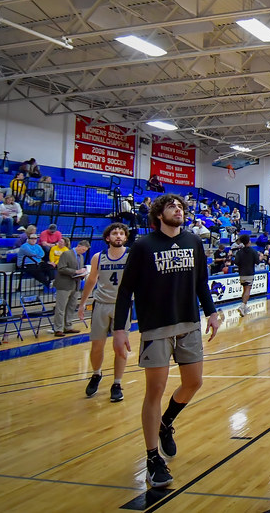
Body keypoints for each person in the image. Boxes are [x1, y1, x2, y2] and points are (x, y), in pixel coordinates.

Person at [112, 194, 220, 489]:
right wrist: (119, 329)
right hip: (155, 327)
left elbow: (201, 282)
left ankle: (165, 422)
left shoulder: (194, 242)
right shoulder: (144, 246)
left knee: (193, 382)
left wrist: (211, 312)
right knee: (155, 391)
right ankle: (151, 459)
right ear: (159, 214)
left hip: (188, 323)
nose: (178, 209)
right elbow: (125, 291)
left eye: (181, 207)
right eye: (172, 206)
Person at [79, 223, 130, 402]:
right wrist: (82, 303)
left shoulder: (131, 256)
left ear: (125, 238)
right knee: (97, 346)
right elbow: (91, 280)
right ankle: (96, 374)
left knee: (120, 348)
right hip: (101, 304)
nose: (118, 236)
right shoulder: (98, 257)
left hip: (122, 306)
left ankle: (117, 383)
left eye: (121, 233)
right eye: (115, 233)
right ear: (108, 238)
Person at [53, 240, 89, 337]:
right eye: (82, 249)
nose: (83, 252)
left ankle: (68, 326)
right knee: (61, 308)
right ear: (78, 246)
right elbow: (61, 268)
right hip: (64, 284)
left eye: (85, 251)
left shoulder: (81, 257)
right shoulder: (66, 254)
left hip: (75, 285)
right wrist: (76, 271)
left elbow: (79, 270)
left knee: (71, 307)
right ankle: (58, 329)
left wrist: (83, 274)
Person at [234, 234, 260, 314]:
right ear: (249, 241)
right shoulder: (253, 251)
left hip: (241, 273)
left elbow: (236, 262)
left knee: (245, 290)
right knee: (248, 290)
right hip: (249, 273)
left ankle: (245, 307)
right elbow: (257, 262)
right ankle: (242, 305)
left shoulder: (239, 252)